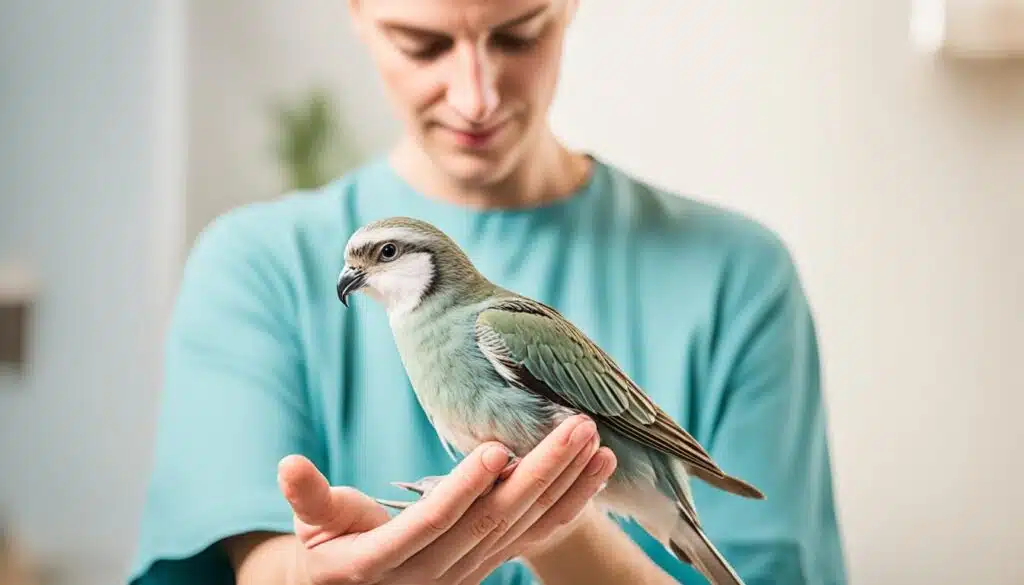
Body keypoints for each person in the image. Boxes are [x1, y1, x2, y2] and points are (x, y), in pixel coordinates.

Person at [127, 0, 849, 583]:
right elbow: (252, 561)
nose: (475, 97)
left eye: (516, 34)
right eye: (422, 43)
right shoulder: (249, 262)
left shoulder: (733, 275)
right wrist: (321, 574)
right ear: (356, 13)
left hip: (644, 482)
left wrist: (539, 525)